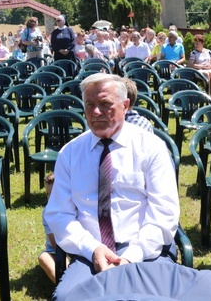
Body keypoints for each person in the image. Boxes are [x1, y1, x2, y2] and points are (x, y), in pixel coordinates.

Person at [44, 73, 180, 300]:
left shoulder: (152, 147)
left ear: (125, 106)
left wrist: (130, 258)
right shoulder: (70, 153)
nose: (96, 112)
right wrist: (93, 249)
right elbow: (59, 215)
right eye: (90, 105)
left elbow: (163, 214)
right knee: (67, 297)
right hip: (89, 254)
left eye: (105, 104)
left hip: (146, 252)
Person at [188, 34, 211, 98]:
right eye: (195, 43)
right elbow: (190, 65)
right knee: (206, 74)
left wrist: (210, 66)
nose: (196, 45)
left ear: (202, 43)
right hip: (199, 70)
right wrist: (201, 66)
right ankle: (208, 96)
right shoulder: (194, 53)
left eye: (197, 43)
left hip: (209, 68)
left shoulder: (208, 52)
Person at [39, 172, 58, 283]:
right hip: (56, 251)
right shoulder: (48, 213)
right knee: (44, 258)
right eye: (47, 194)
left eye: (53, 194)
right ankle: (63, 285)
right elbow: (55, 243)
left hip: (76, 250)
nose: (50, 198)